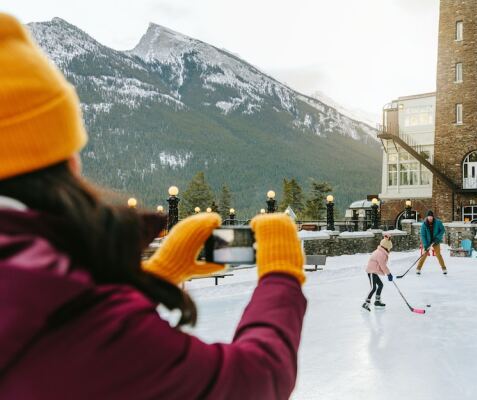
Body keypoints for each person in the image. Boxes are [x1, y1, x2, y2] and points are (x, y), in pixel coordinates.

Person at [0, 13, 306, 399]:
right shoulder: (82, 328)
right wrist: (281, 274)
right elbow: (253, 381)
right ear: (63, 162)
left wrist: (150, 280)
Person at [362, 235, 394, 311]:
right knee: (373, 288)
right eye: (389, 248)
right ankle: (366, 303)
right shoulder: (381, 253)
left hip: (374, 271)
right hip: (372, 271)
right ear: (387, 247)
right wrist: (389, 274)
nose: (390, 250)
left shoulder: (380, 251)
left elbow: (382, 265)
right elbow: (382, 265)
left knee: (380, 285)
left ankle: (377, 301)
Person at [416, 210, 448, 275]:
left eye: (431, 217)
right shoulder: (424, 225)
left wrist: (437, 238)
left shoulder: (438, 222)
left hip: (435, 241)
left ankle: (444, 268)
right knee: (424, 255)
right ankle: (418, 269)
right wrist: (425, 245)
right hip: (427, 242)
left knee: (438, 255)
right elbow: (423, 235)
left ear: (433, 217)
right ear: (427, 217)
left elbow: (442, 230)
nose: (430, 218)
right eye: (429, 217)